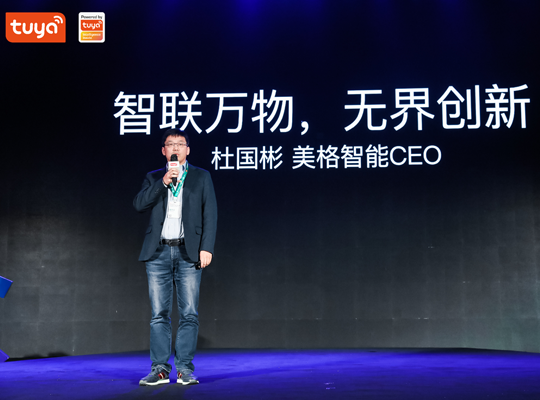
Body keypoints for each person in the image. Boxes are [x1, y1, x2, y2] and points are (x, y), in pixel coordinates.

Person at [134, 128, 217, 386]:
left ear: (188, 150)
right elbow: (139, 204)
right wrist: (163, 183)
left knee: (189, 313)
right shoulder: (154, 177)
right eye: (171, 144)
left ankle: (184, 370)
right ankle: (160, 369)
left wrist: (207, 247)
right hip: (158, 252)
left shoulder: (201, 176)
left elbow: (210, 214)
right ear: (164, 150)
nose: (176, 148)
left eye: (180, 144)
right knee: (159, 313)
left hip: (188, 252)